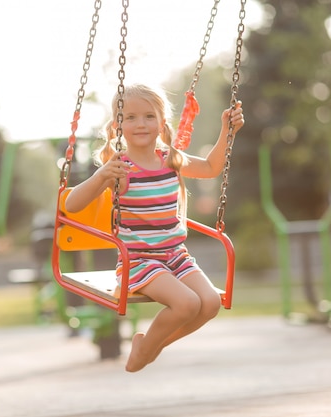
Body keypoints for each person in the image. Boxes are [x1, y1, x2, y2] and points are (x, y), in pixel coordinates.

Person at [64, 84, 244, 372]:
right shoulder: (119, 167)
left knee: (209, 303)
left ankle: (149, 346)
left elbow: (210, 167)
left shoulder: (170, 158)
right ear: (118, 125)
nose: (141, 124)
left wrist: (227, 131)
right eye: (131, 117)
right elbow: (72, 205)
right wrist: (101, 176)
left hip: (175, 256)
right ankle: (147, 348)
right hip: (139, 261)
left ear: (162, 123)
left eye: (149, 116)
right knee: (186, 305)